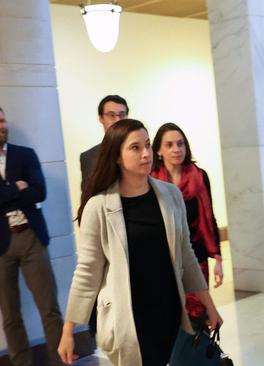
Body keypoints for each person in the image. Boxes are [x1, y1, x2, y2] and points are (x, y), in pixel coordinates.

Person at [58, 119, 222, 366]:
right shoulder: (99, 207)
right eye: (135, 148)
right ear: (116, 156)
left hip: (169, 311)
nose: (146, 153)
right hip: (130, 317)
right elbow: (87, 272)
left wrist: (209, 305)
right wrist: (68, 330)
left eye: (147, 145)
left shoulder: (170, 195)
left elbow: (185, 254)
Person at [0, 107, 64, 366]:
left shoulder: (25, 155)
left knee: (49, 307)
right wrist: (17, 187)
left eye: (2, 119)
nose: (1, 125)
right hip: (1, 245)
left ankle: (61, 360)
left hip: (31, 238)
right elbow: (26, 191)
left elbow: (39, 192)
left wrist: (5, 194)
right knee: (10, 314)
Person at [151, 123, 223, 317]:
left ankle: (200, 346)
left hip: (195, 255)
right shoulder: (151, 181)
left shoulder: (199, 177)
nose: (176, 149)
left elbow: (208, 216)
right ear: (158, 150)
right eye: (169, 145)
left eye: (180, 144)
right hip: (164, 257)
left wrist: (217, 257)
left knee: (199, 311)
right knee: (170, 313)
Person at [80, 95, 129, 192]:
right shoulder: (89, 157)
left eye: (122, 115)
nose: (118, 120)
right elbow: (88, 195)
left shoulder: (142, 151)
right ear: (101, 118)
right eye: (111, 115)